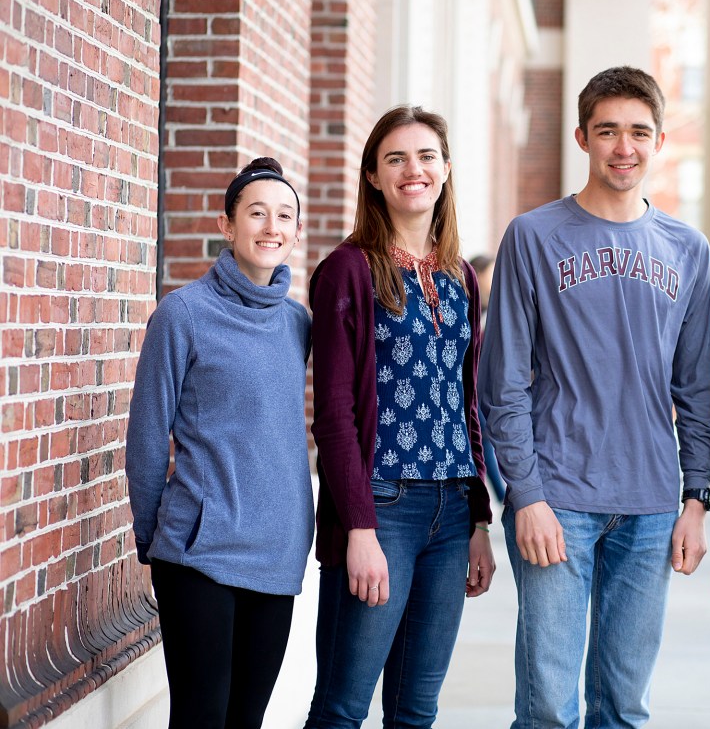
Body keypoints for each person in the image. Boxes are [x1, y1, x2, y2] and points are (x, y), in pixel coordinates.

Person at [480, 66, 710, 729]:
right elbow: (503, 381)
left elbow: (697, 388)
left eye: (639, 132)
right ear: (582, 136)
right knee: (548, 709)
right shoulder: (533, 236)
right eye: (608, 130)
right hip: (558, 498)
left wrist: (696, 500)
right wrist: (524, 495)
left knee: (624, 707)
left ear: (660, 140)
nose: (624, 146)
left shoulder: (689, 250)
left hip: (649, 506)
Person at [304, 106, 496, 729]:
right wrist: (357, 527)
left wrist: (477, 520)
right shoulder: (349, 271)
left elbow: (465, 404)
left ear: (445, 171)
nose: (413, 170)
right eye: (396, 159)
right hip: (382, 508)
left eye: (426, 157)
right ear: (373, 178)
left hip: (450, 512)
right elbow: (333, 413)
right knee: (341, 708)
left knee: (416, 710)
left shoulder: (460, 275)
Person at [126, 157, 312, 729]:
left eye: (284, 216)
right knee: (201, 718)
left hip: (276, 554)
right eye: (256, 213)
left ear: (296, 233)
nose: (271, 227)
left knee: (245, 720)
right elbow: (148, 435)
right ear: (227, 225)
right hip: (198, 553)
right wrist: (154, 535)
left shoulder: (299, 324)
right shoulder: (182, 314)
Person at [468, 254, 504, 502]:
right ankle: (499, 494)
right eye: (489, 275)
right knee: (484, 443)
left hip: (484, 389)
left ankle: (498, 494)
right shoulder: (471, 308)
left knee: (486, 443)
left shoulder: (488, 309)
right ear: (478, 275)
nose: (492, 281)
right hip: (472, 390)